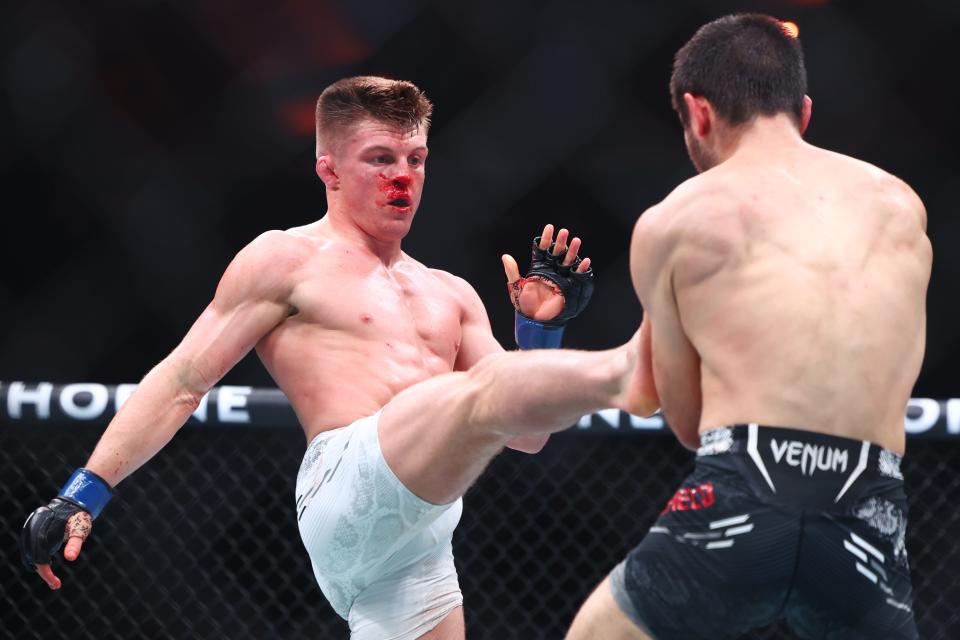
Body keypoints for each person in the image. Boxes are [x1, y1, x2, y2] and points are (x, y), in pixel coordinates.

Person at [20, 76, 656, 640]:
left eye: (415, 158)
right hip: (346, 481)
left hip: (422, 538)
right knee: (475, 394)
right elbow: (184, 378)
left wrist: (538, 337)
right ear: (328, 168)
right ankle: (632, 366)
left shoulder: (453, 294)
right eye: (379, 159)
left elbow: (529, 435)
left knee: (484, 397)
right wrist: (83, 495)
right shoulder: (286, 259)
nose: (402, 177)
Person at [565, 13, 931, 640]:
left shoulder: (676, 218)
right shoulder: (900, 205)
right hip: (868, 511)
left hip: (743, 496)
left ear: (697, 113)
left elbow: (679, 416)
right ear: (804, 112)